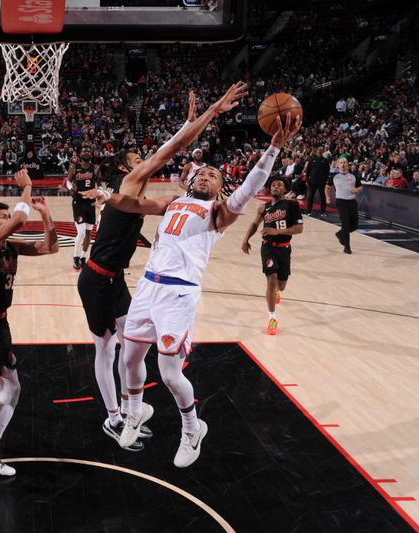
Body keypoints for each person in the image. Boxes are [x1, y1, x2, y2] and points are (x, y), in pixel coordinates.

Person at [84, 113, 301, 468]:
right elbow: (135, 205)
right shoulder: (172, 201)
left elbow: (249, 187)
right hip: (148, 287)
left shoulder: (219, 213)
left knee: (169, 372)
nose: (205, 175)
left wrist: (273, 148)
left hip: (179, 295)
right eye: (201, 173)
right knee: (129, 358)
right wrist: (108, 196)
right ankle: (134, 414)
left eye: (213, 175)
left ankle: (191, 428)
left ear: (221, 189)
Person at [77, 83, 247, 451]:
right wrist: (210, 112)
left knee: (131, 349)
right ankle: (114, 417)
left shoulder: (148, 195)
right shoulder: (131, 182)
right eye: (139, 159)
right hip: (95, 279)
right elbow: (172, 150)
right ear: (126, 168)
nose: (148, 162)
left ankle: (132, 408)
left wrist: (190, 124)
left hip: (116, 280)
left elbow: (174, 150)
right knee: (106, 351)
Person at [0, 169, 58, 476]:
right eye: (2, 216)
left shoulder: (11, 246)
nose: (8, 218)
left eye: (8, 214)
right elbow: (19, 219)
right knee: (15, 388)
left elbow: (51, 247)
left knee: (3, 378)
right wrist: (28, 186)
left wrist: (46, 214)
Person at [241, 175, 304, 335]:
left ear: (285, 189)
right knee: (271, 280)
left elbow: (299, 229)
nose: (275, 187)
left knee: (281, 286)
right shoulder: (263, 208)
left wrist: (277, 231)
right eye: (273, 185)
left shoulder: (292, 205)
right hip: (268, 247)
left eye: (279, 185)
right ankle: (272, 318)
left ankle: (276, 290)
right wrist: (246, 239)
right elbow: (255, 224)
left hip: (284, 248)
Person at [66, 145, 100, 271]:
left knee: (88, 232)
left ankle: (83, 258)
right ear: (80, 153)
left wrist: (100, 192)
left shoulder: (95, 168)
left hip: (90, 202)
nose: (86, 153)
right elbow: (68, 182)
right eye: (84, 151)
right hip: (79, 202)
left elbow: (100, 184)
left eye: (88, 151)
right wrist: (71, 190)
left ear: (91, 154)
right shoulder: (74, 167)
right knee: (80, 232)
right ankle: (75, 257)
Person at [326, 157, 362, 254]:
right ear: (338, 164)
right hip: (341, 202)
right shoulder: (334, 176)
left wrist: (356, 190)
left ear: (348, 164)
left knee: (354, 226)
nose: (343, 164)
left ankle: (340, 234)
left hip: (352, 202)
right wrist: (327, 197)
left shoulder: (354, 176)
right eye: (341, 162)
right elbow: (328, 187)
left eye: (345, 162)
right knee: (345, 224)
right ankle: (347, 247)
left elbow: (360, 187)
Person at [303, 147, 330, 216]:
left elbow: (327, 172)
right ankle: (309, 211)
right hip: (312, 182)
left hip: (321, 182)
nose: (320, 151)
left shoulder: (325, 160)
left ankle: (323, 212)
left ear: (323, 151)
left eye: (321, 150)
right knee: (310, 197)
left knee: (322, 197)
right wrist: (307, 180)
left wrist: (326, 180)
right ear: (316, 151)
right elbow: (307, 171)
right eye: (319, 150)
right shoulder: (312, 160)